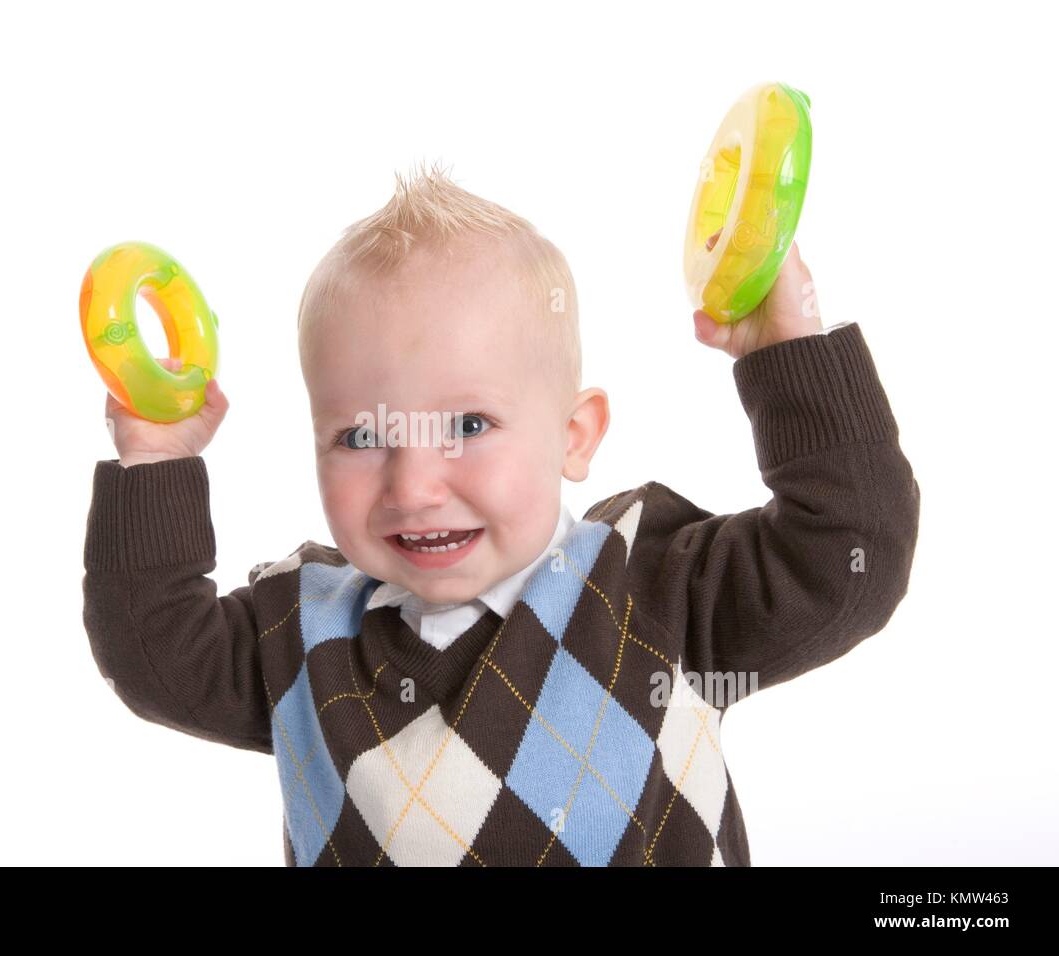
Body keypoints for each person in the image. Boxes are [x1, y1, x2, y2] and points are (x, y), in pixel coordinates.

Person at [82, 161, 920, 866]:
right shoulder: (302, 637)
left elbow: (850, 550)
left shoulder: (655, 590)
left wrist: (788, 347)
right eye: (361, 435)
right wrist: (156, 462)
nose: (412, 487)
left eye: (469, 426)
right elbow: (154, 656)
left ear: (574, 435)